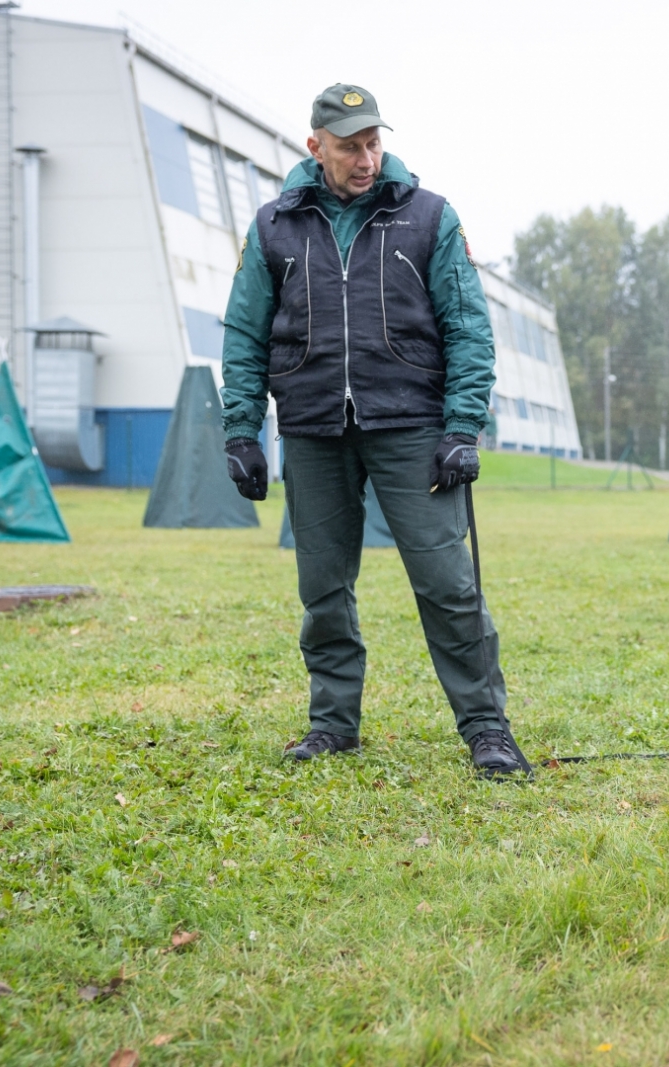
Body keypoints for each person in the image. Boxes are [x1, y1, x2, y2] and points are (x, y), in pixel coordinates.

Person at [219, 84, 528, 776]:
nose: (366, 158)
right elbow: (243, 334)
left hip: (413, 429)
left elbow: (468, 328)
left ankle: (488, 730)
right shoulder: (274, 226)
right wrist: (242, 430)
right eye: (350, 146)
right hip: (312, 429)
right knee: (323, 587)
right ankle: (332, 724)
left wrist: (461, 427)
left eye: (373, 143)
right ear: (315, 147)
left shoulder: (429, 218)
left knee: (449, 583)